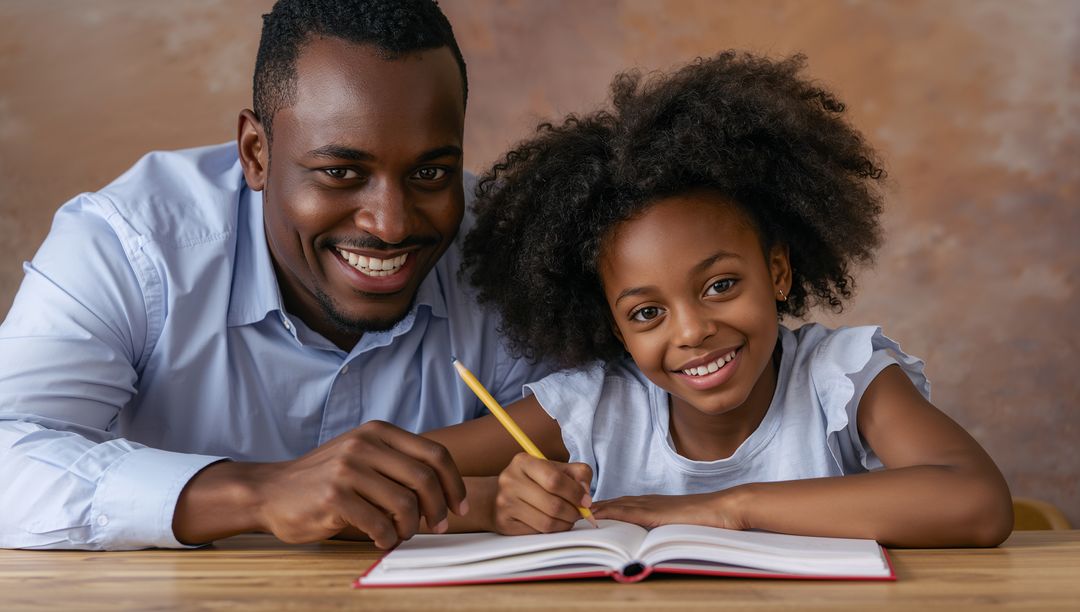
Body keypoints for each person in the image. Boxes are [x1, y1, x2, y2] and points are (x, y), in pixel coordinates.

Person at [0, 0, 550, 551]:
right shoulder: (129, 246)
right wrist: (257, 492)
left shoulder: (503, 246)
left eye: (430, 172)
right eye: (340, 172)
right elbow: (10, 455)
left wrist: (392, 481)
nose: (390, 224)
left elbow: (599, 415)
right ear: (255, 153)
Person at [427, 51, 1014, 547]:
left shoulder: (842, 379)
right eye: (646, 313)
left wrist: (729, 510)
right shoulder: (594, 406)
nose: (691, 331)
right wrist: (494, 503)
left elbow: (978, 501)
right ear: (612, 325)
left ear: (777, 271)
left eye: (720, 286)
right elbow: (384, 479)